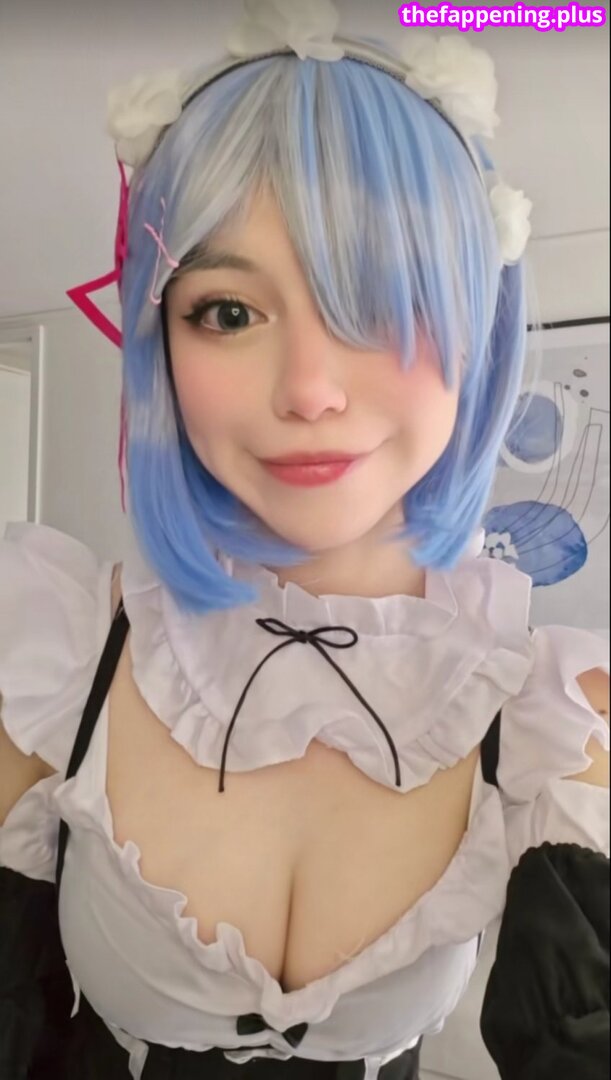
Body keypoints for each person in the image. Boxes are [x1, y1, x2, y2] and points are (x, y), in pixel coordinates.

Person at [0, 1, 609, 1077]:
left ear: (479, 325)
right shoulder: (51, 654)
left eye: (377, 301)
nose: (310, 390)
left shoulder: (555, 719)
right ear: (161, 338)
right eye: (229, 313)